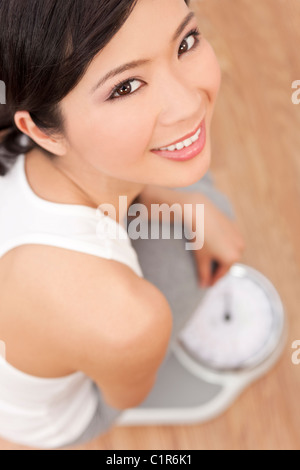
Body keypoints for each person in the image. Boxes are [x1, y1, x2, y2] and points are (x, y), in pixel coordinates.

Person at [0, 0, 245, 449]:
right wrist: (192, 209)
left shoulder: (15, 127)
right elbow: (128, 393)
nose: (188, 104)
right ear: (41, 131)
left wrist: (176, 201)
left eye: (186, 42)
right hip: (52, 421)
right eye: (126, 86)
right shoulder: (126, 319)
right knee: (208, 199)